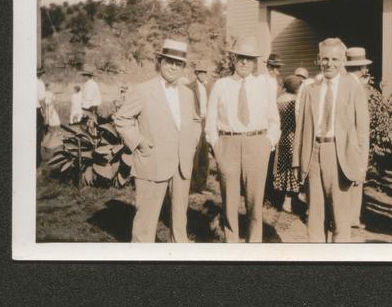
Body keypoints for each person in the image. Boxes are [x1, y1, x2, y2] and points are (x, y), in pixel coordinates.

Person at [114, 38, 201, 243]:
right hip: (153, 160)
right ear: (160, 62)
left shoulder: (187, 93)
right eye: (169, 61)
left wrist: (191, 142)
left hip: (182, 164)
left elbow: (196, 120)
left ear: (183, 67)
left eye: (178, 63)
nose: (173, 66)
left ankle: (179, 257)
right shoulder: (143, 90)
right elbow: (122, 119)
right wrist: (140, 143)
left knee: (180, 221)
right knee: (146, 222)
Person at [292, 38, 369, 242]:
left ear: (343, 60)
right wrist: (297, 162)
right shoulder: (310, 88)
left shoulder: (353, 87)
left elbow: (362, 131)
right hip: (314, 153)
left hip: (339, 155)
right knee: (315, 217)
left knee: (340, 218)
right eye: (325, 58)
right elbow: (301, 128)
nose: (329, 64)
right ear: (318, 59)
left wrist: (361, 166)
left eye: (335, 59)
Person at [205, 36, 280, 243]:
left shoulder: (265, 85)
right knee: (229, 198)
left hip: (257, 145)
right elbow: (210, 120)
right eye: (240, 57)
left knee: (255, 200)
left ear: (255, 62)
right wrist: (217, 145)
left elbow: (274, 120)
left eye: (249, 58)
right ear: (234, 59)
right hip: (228, 144)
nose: (244, 62)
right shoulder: (221, 85)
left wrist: (268, 142)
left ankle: (254, 244)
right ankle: (232, 243)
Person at [344, 46, 373, 229]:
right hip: (355, 140)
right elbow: (362, 124)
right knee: (356, 179)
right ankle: (352, 219)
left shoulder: (342, 82)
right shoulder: (358, 87)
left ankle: (343, 217)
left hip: (342, 140)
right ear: (362, 69)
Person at [272, 75, 303, 213]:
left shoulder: (278, 100)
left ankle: (280, 197)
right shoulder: (296, 102)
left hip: (281, 136)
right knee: (292, 168)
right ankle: (288, 200)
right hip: (293, 137)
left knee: (282, 166)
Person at [187, 60, 213, 193]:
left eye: (205, 72)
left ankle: (201, 185)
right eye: (200, 72)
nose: (203, 75)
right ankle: (191, 185)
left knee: (204, 153)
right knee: (194, 154)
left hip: (206, 123)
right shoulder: (189, 87)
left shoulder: (209, 87)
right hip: (194, 123)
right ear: (196, 73)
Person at [37, 67, 46, 168]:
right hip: (36, 109)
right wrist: (44, 113)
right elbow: (42, 99)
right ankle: (37, 160)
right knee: (38, 135)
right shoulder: (40, 83)